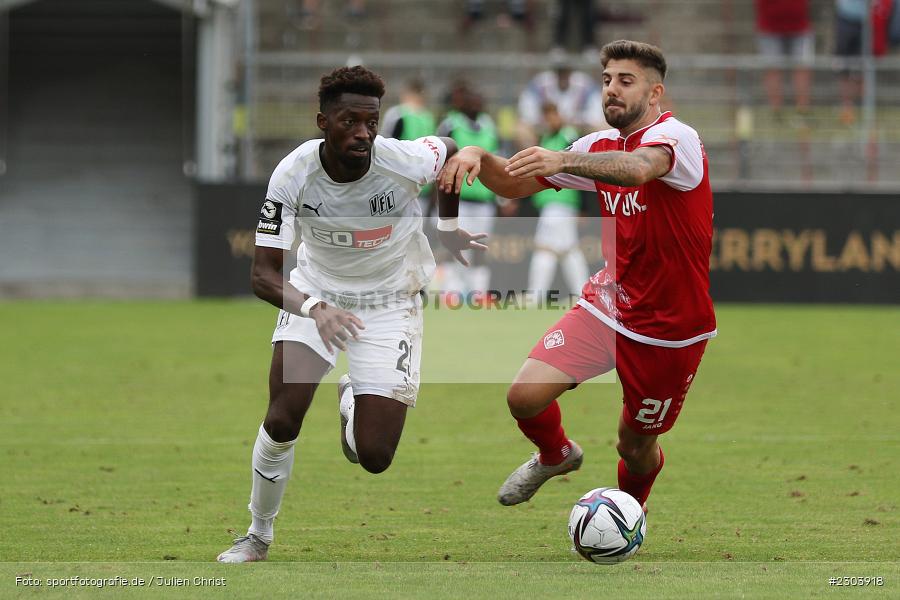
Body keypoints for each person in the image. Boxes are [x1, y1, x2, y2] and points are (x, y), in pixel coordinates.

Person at [216, 66, 486, 563]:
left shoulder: (401, 159)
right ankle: (257, 534)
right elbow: (263, 276)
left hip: (390, 303)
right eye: (349, 121)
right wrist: (316, 308)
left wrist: (447, 225)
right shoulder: (292, 174)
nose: (363, 133)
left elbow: (448, 154)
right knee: (282, 418)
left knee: (376, 457)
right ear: (323, 120)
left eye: (371, 122)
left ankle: (352, 404)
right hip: (315, 296)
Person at [439, 40, 716, 510]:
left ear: (655, 94)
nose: (611, 90)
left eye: (625, 81)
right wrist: (477, 156)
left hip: (669, 329)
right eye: (607, 80)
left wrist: (562, 159)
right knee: (524, 397)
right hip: (610, 303)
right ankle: (556, 454)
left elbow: (638, 169)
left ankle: (629, 514)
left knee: (634, 446)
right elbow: (512, 181)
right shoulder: (595, 146)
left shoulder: (678, 138)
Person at [437, 81, 501, 301]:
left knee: (481, 246)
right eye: (471, 100)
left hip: (484, 200)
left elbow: (496, 161)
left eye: (479, 101)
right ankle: (451, 292)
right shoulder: (450, 124)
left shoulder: (489, 125)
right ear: (461, 103)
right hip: (458, 198)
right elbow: (440, 157)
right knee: (455, 243)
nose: (476, 104)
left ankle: (479, 293)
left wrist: (500, 197)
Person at [527, 102, 590, 302]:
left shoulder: (569, 137)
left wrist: (584, 206)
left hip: (562, 201)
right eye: (546, 116)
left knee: (545, 247)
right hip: (550, 201)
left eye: (552, 115)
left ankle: (535, 295)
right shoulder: (546, 138)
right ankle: (582, 294)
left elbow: (584, 168)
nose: (549, 120)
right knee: (568, 249)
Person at [517, 53, 605, 147]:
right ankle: (531, 160)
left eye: (565, 72)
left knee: (603, 128)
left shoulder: (585, 85)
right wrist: (550, 121)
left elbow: (595, 116)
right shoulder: (539, 84)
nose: (563, 76)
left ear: (571, 72)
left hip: (578, 127)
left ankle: (593, 160)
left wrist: (569, 121)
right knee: (521, 129)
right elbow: (527, 114)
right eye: (560, 72)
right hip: (546, 127)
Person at [381, 78, 438, 216]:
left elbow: (383, 146)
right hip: (422, 183)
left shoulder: (397, 113)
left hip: (399, 183)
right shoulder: (428, 117)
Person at [754, 0, 813, 118]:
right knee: (772, 69)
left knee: (802, 68)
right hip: (769, 26)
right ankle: (776, 112)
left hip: (799, 24)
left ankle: (802, 112)